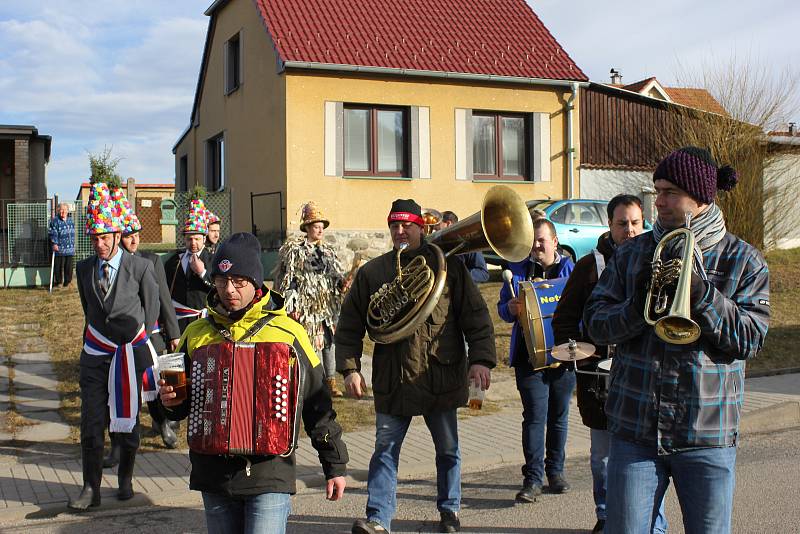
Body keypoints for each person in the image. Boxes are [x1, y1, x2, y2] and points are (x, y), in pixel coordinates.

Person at [584, 146, 770, 534]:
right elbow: (594, 323)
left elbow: (751, 338)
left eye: (670, 192)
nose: (659, 202)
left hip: (707, 433)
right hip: (635, 430)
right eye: (656, 190)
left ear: (700, 197)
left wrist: (704, 296)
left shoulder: (744, 261)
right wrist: (635, 309)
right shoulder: (633, 253)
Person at [159, 232, 348, 534]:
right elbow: (179, 404)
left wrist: (334, 465)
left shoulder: (289, 333)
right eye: (222, 281)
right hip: (214, 473)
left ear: (256, 283)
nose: (229, 290)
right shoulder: (196, 333)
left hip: (270, 472)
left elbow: (317, 404)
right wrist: (168, 401)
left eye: (239, 281)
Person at [336, 199, 496, 534]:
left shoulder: (449, 267)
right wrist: (350, 369)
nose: (400, 230)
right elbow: (349, 326)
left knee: (448, 451)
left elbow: (476, 316)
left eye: (407, 224)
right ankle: (378, 519)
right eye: (394, 225)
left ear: (420, 227)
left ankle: (450, 512)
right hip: (394, 378)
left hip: (440, 373)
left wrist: (481, 359)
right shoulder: (373, 272)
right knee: (384, 451)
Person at [552, 195, 666, 534]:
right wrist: (579, 352)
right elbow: (565, 319)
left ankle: (651, 522)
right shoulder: (591, 266)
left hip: (645, 380)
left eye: (635, 223)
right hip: (600, 382)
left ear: (643, 222)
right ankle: (606, 515)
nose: (629, 231)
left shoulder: (657, 260)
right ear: (609, 225)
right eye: (621, 224)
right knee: (603, 457)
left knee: (647, 460)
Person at [68, 182, 158, 510]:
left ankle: (125, 480)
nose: (99, 243)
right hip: (95, 356)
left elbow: (150, 312)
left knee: (127, 424)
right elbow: (89, 309)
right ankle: (89, 488)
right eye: (94, 238)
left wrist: (140, 346)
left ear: (118, 235)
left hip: (128, 357)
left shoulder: (141, 267)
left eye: (105, 237)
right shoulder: (83, 269)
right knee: (91, 423)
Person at [497, 217, 575, 503]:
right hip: (528, 357)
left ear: (555, 242)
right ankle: (532, 479)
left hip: (564, 353)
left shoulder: (571, 270)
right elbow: (502, 311)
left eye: (542, 240)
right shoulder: (516, 271)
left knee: (559, 416)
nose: (536, 245)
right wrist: (510, 307)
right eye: (533, 240)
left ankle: (556, 472)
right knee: (534, 417)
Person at [101, 204, 181, 469]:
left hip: (149, 335)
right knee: (119, 391)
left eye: (136, 233)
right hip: (117, 341)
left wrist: (173, 332)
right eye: (127, 235)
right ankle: (117, 443)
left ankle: (162, 425)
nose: (133, 239)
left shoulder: (152, 260)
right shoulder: (112, 266)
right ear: (118, 238)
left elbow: (163, 299)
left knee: (155, 384)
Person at [273, 202, 348, 397]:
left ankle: (331, 381)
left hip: (327, 307)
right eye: (316, 226)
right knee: (313, 343)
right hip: (307, 308)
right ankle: (318, 381)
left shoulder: (329, 251)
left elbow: (335, 275)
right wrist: (293, 305)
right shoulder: (295, 251)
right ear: (307, 228)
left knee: (329, 342)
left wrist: (342, 283)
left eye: (322, 227)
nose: (320, 230)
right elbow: (289, 280)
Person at [164, 197, 214, 333]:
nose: (193, 243)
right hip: (178, 323)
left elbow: (218, 288)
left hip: (203, 323)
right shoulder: (174, 260)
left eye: (197, 239)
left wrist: (203, 273)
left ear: (204, 238)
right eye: (189, 239)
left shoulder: (213, 260)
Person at [435, 211, 490, 283]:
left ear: (448, 224)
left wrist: (459, 275)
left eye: (437, 223)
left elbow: (483, 274)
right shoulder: (435, 245)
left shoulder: (468, 244)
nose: (434, 227)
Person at [48, 202, 76, 288]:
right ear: (58, 211)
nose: (62, 212)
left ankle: (67, 282)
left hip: (70, 248)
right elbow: (52, 233)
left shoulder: (70, 220)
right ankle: (59, 282)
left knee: (69, 266)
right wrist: (54, 243)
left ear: (67, 211)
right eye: (60, 210)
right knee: (58, 266)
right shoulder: (55, 221)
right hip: (59, 248)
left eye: (64, 210)